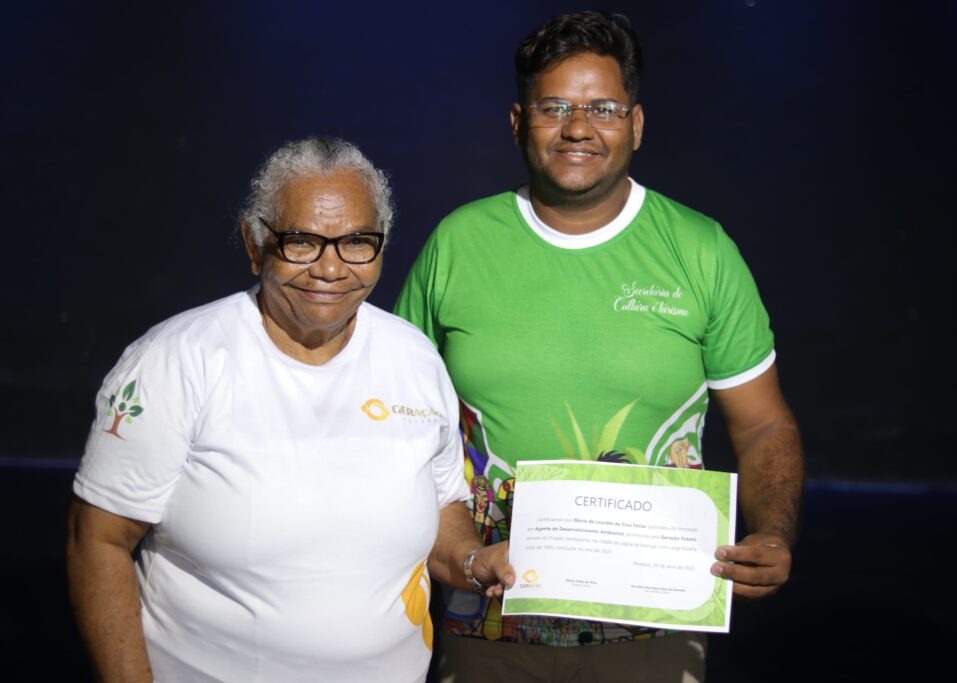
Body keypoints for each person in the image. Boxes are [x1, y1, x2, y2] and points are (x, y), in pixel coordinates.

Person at [395, 11, 804, 682]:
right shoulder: (458, 244)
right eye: (553, 107)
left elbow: (763, 424)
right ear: (518, 122)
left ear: (636, 125)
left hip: (653, 630)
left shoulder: (701, 250)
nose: (578, 127)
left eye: (603, 108)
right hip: (487, 621)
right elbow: (399, 420)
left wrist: (773, 532)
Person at [66, 136, 513, 683]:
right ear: (254, 246)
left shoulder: (414, 357)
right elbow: (98, 541)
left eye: (356, 242)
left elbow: (442, 506)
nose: (330, 268)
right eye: (301, 242)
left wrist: (472, 562)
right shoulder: (176, 360)